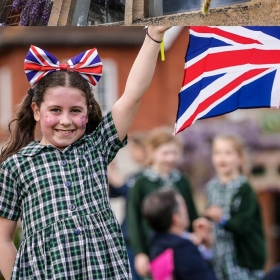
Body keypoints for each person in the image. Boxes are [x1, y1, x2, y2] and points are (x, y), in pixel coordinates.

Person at [0, 26, 170, 280]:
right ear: (36, 110)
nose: (66, 120)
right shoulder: (15, 166)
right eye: (55, 110)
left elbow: (133, 95)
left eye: (76, 111)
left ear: (87, 112)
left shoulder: (97, 147)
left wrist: (153, 36)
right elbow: (3, 239)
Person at [128, 126, 199, 278]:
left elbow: (192, 213)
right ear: (152, 152)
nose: (170, 158)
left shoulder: (182, 181)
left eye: (174, 153)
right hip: (154, 249)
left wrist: (197, 237)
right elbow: (133, 219)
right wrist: (140, 253)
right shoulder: (141, 183)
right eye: (165, 153)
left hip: (181, 248)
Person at [204, 133, 266, 280]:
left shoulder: (245, 189)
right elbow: (210, 219)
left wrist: (222, 219)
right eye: (217, 153)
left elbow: (243, 226)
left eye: (228, 153)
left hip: (242, 260)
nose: (222, 158)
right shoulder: (211, 187)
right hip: (219, 258)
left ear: (240, 159)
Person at [142, 187, 217, 280]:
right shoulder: (183, 250)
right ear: (176, 218)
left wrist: (206, 247)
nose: (186, 208)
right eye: (183, 205)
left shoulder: (158, 246)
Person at [108, 132, 148, 280]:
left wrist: (117, 179)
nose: (131, 153)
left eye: (134, 149)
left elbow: (130, 194)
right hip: (128, 237)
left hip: (140, 238)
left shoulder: (147, 177)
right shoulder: (134, 176)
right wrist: (110, 169)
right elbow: (117, 192)